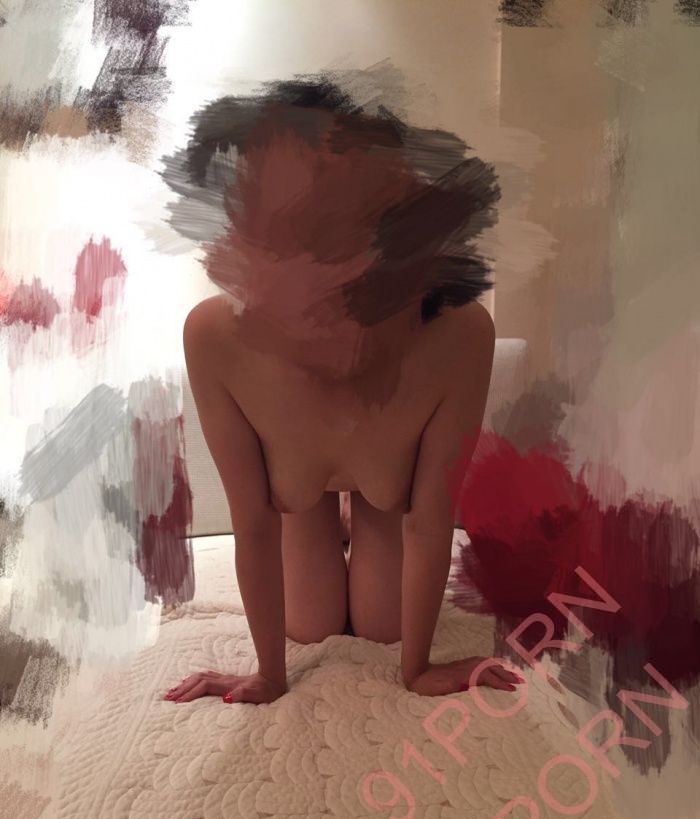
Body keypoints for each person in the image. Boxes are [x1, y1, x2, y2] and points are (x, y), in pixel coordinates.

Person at [163, 77, 524, 705]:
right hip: (293, 494)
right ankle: (333, 505)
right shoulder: (215, 336)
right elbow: (252, 523)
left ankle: (364, 506)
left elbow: (431, 518)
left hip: (392, 489)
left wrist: (417, 669)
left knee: (385, 626)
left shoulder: (460, 334)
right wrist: (268, 673)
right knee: (309, 624)